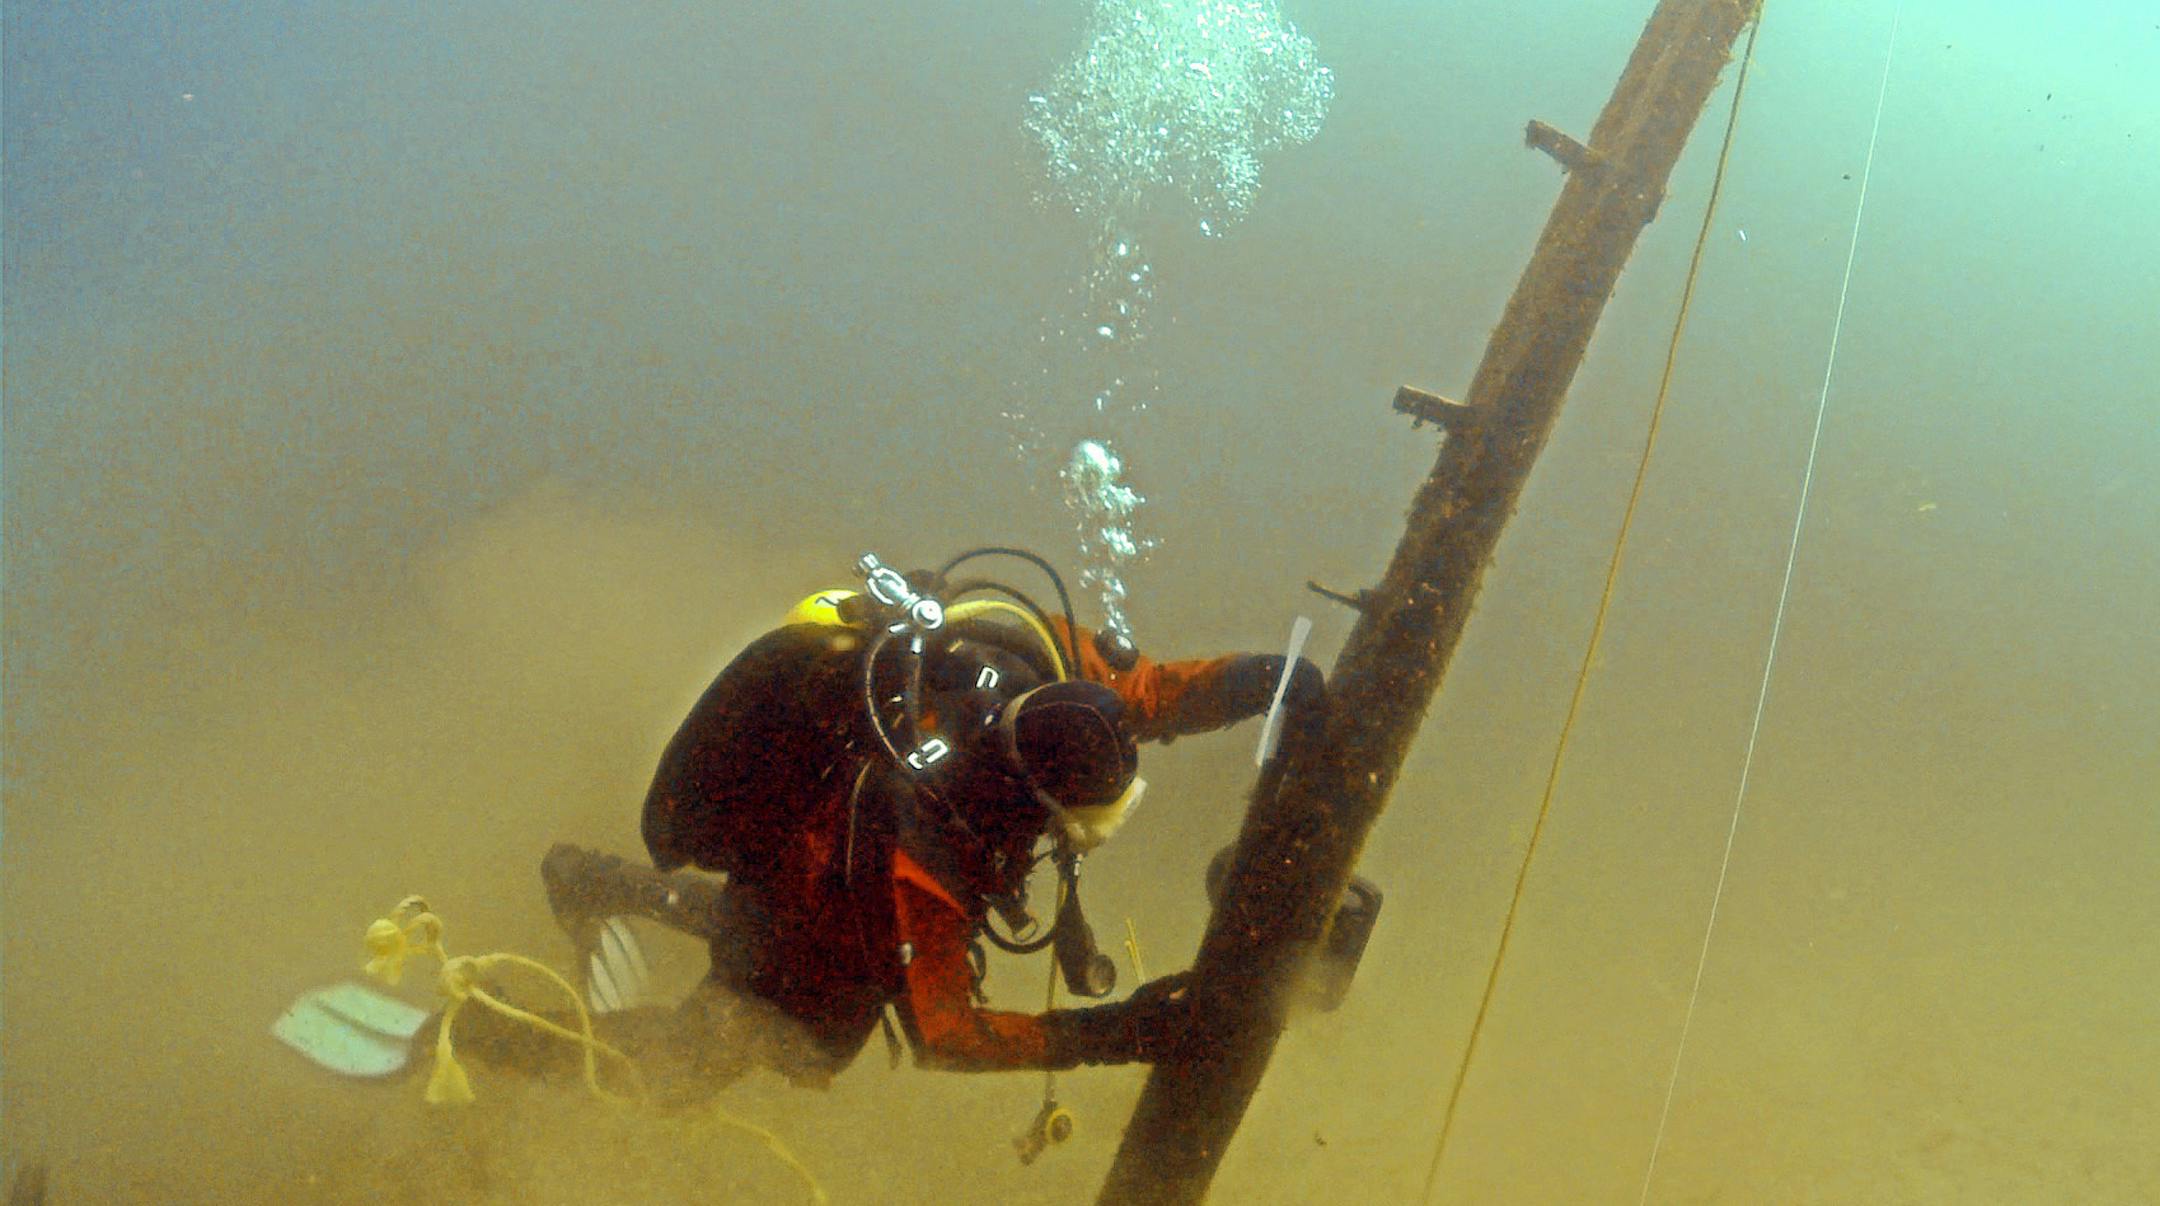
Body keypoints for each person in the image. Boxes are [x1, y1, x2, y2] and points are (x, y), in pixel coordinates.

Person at [454, 549, 1325, 1102]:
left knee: (784, 925)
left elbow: (1156, 693)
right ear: (1038, 794)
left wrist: (1269, 681)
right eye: (1088, 825)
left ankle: (602, 881)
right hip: (820, 884)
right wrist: (1114, 1036)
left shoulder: (1049, 670)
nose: (1092, 835)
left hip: (816, 848)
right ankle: (488, 1034)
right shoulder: (928, 849)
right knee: (709, 1065)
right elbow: (948, 1034)